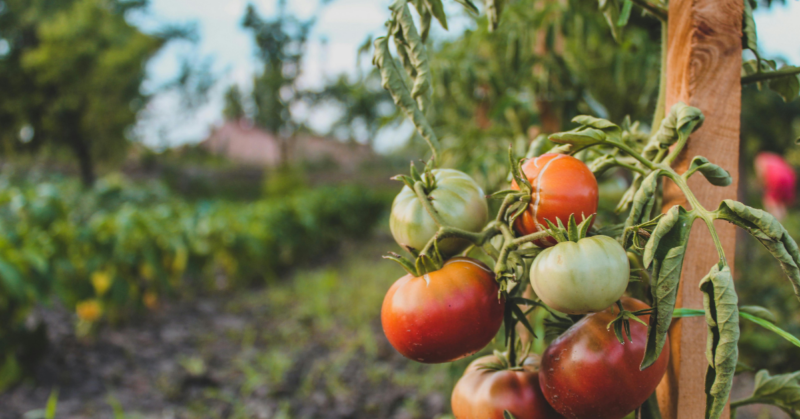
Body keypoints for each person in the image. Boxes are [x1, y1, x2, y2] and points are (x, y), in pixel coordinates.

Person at [755, 152, 797, 220]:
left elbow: (762, 174)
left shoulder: (760, 158)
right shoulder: (776, 159)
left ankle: (773, 222)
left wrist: (761, 185)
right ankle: (782, 223)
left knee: (770, 200)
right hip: (789, 178)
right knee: (781, 203)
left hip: (776, 178)